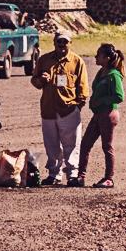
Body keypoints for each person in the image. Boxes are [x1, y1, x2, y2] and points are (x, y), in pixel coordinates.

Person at [30, 30, 89, 184]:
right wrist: (41, 80)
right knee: (51, 144)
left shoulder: (77, 61)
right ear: (54, 42)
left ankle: (72, 175)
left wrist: (78, 106)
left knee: (71, 144)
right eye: (59, 41)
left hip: (69, 110)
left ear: (70, 43)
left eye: (65, 42)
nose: (62, 44)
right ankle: (54, 175)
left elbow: (83, 88)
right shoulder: (44, 60)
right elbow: (35, 82)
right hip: (48, 110)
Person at [78, 44, 124, 187]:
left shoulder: (114, 75)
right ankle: (80, 176)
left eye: (99, 55)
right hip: (98, 114)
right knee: (85, 144)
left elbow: (119, 96)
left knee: (107, 146)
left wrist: (101, 101)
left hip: (108, 113)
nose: (96, 57)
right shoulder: (101, 72)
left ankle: (109, 178)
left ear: (107, 58)